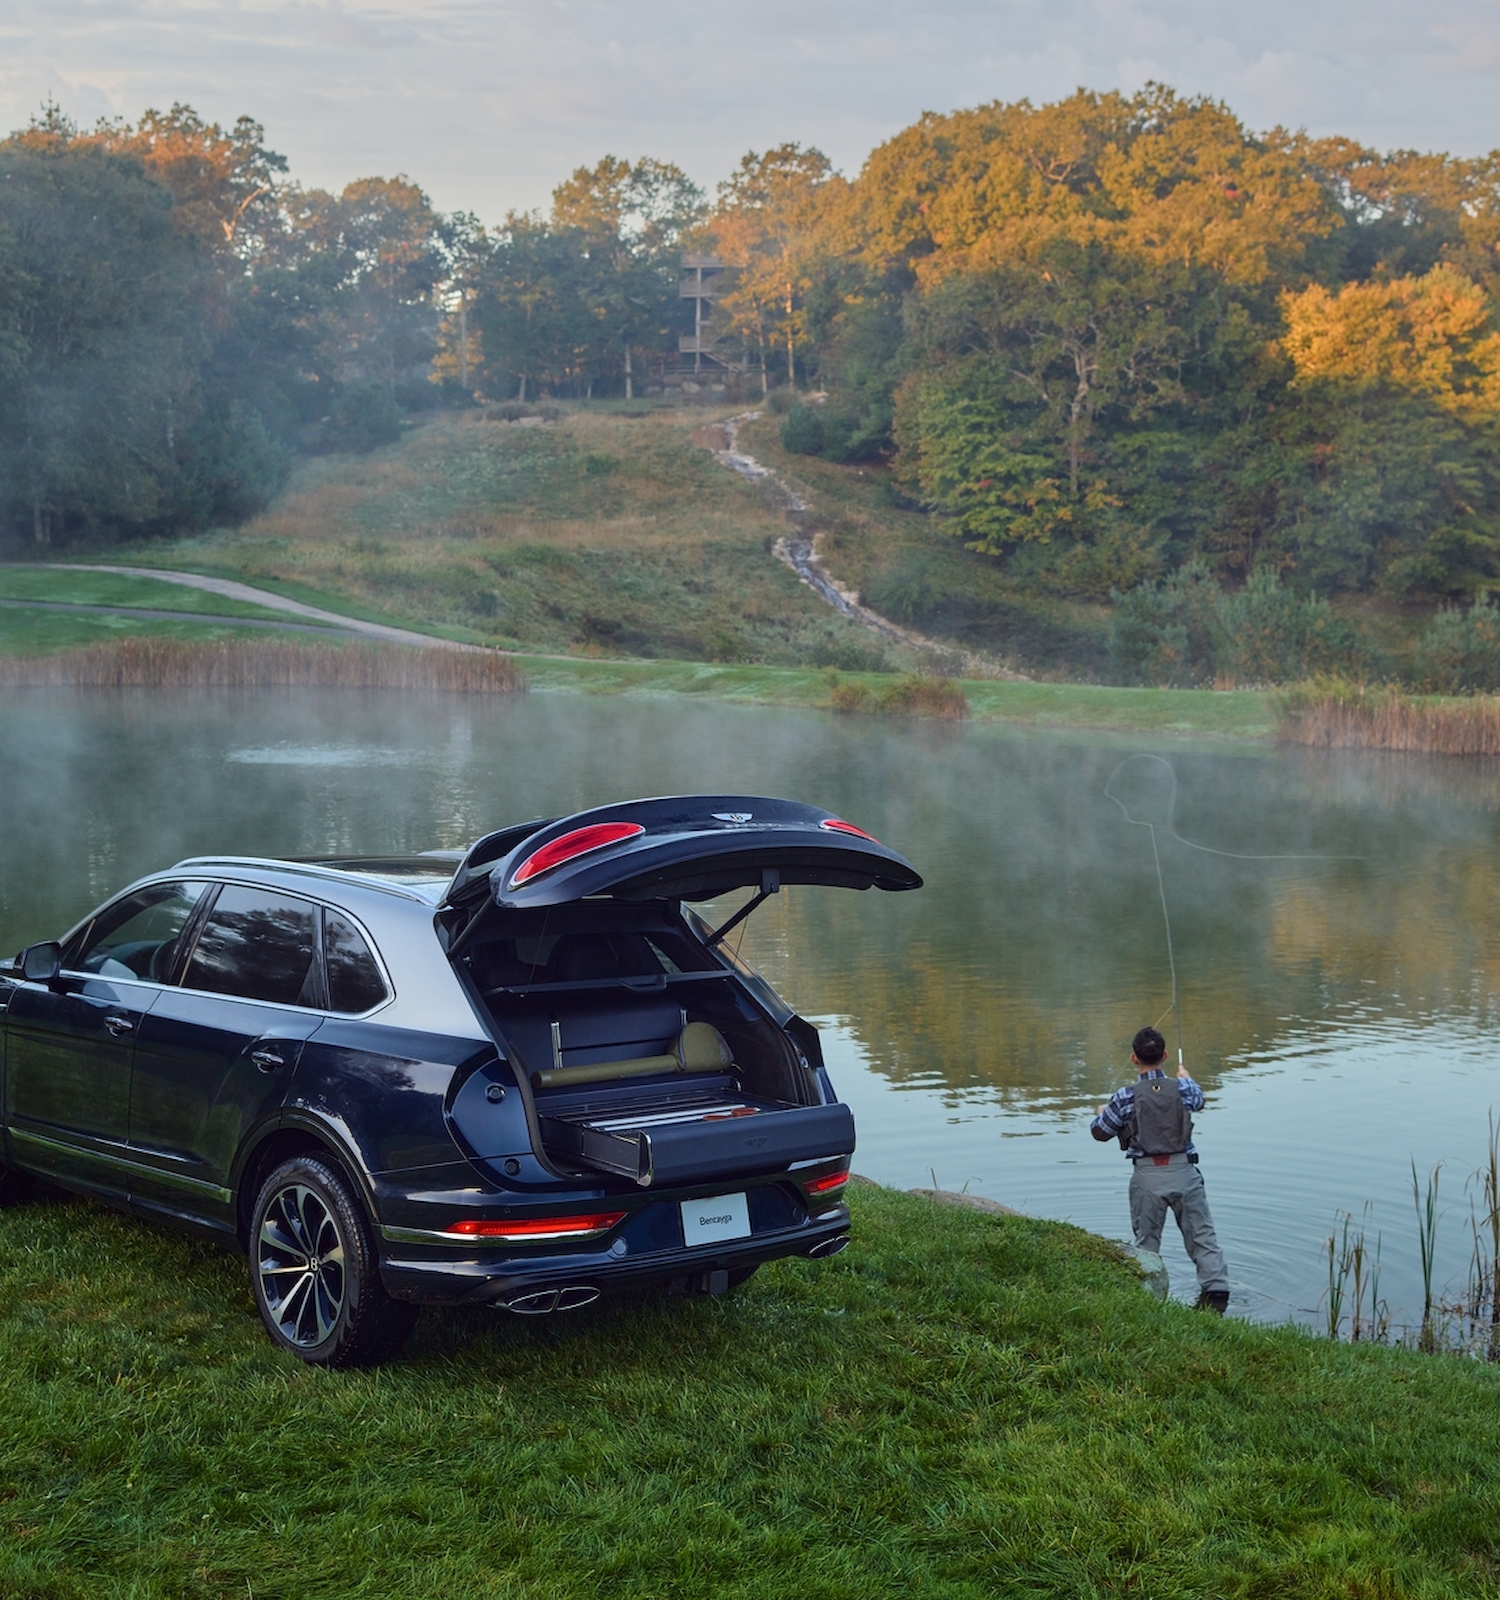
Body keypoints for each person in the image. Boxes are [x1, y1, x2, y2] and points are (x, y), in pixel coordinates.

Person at [1091, 1026, 1230, 1314]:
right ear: (1165, 1055)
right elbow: (1199, 1100)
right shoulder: (1183, 1088)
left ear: (1133, 1058)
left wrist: (1103, 1112)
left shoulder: (1124, 1096)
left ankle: (1148, 1301)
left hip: (1147, 1176)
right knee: (1202, 1237)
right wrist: (1187, 1077)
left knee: (1146, 1244)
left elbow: (1099, 1133)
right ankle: (1217, 1297)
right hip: (1185, 1171)